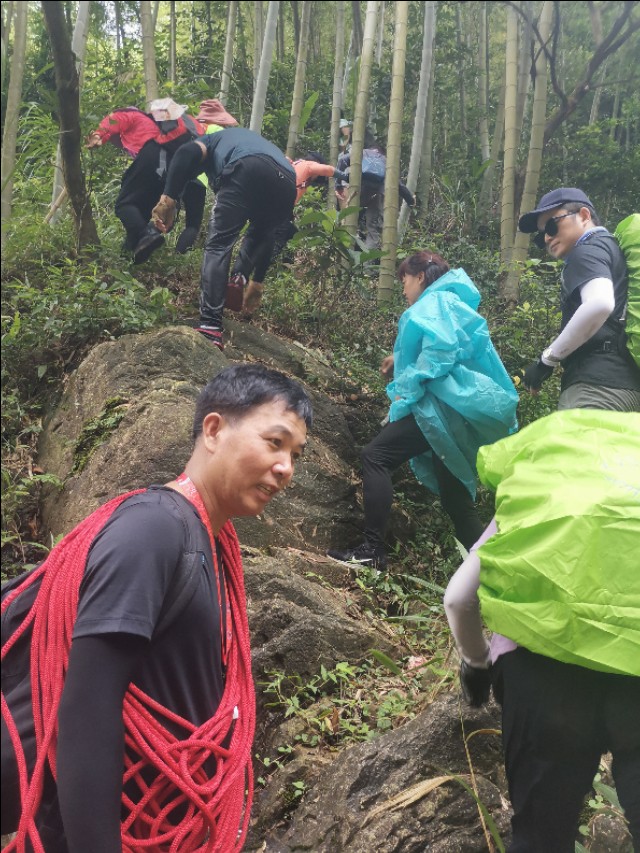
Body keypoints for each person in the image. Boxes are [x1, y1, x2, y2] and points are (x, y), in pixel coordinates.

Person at [1, 363, 312, 853]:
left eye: (295, 455)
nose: (286, 468)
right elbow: (86, 707)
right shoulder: (153, 530)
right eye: (275, 443)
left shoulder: (210, 540)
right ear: (213, 429)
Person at [444, 409, 640, 851]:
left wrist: (476, 665)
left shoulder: (543, 491)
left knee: (539, 836)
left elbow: (458, 597)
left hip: (542, 673)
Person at [327, 252, 518, 569]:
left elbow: (439, 355)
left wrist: (407, 394)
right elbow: (449, 348)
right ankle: (498, 574)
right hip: (456, 411)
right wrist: (398, 361)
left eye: (404, 280)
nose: (403, 288)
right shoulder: (452, 302)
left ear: (420, 277)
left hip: (437, 409)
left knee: (376, 456)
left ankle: (372, 550)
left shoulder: (434, 302)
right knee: (457, 503)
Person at [151, 127, 297, 350]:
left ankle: (210, 326)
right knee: (260, 232)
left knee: (218, 244)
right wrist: (258, 281)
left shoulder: (208, 141)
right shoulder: (248, 139)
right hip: (287, 181)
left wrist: (167, 199)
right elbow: (268, 237)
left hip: (247, 166)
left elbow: (184, 153)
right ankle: (240, 276)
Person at [517, 187, 640, 411]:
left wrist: (547, 360)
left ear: (584, 216)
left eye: (552, 225)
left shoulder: (585, 251)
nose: (547, 237)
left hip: (596, 389)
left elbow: (599, 304)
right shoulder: (611, 248)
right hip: (627, 387)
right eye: (541, 234)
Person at [87, 99, 207, 263]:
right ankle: (128, 259)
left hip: (153, 157)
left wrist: (97, 135)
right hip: (171, 170)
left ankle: (148, 235)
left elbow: (114, 119)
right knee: (141, 214)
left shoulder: (135, 116)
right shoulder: (172, 131)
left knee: (124, 205)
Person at [239, 152, 349, 318]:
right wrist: (344, 175)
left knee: (288, 234)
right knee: (269, 245)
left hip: (265, 204)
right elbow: (325, 169)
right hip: (279, 208)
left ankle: (278, 266)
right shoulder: (308, 165)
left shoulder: (293, 164)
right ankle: (255, 275)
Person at [335, 132, 415, 252]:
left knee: (350, 219)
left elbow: (342, 161)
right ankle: (367, 265)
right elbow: (399, 185)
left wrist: (338, 186)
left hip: (358, 189)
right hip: (377, 194)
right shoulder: (386, 161)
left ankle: (350, 250)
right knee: (373, 229)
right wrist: (411, 200)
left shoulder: (362, 153)